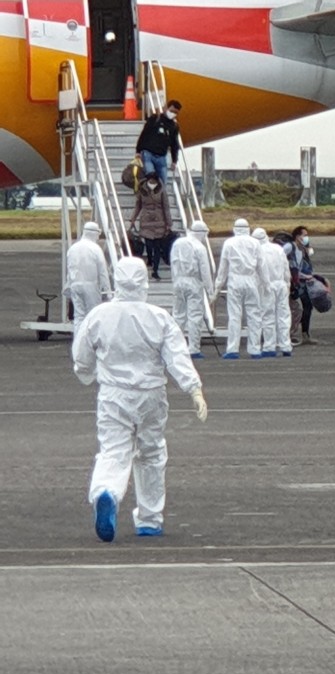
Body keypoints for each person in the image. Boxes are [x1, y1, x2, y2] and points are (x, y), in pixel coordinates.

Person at [72, 257, 207, 542]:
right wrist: (193, 388)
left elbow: (82, 356)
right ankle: (149, 518)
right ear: (144, 282)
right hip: (151, 395)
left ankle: (106, 492)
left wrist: (88, 373)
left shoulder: (99, 315)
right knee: (152, 453)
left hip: (113, 394)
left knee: (113, 450)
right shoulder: (158, 317)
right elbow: (177, 357)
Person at [213, 218, 265, 359]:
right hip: (251, 280)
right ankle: (255, 349)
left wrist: (217, 288)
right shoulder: (255, 243)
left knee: (235, 316)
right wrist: (265, 284)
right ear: (248, 228)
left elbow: (223, 268)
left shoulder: (229, 243)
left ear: (235, 229)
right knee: (254, 315)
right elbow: (261, 265)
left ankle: (232, 349)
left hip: (235, 280)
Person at [170, 220, 215, 359]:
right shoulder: (199, 247)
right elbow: (205, 271)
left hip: (178, 281)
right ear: (202, 233)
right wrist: (210, 290)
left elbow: (173, 262)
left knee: (178, 315)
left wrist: (175, 280)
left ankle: (174, 347)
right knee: (194, 316)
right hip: (193, 282)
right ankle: (193, 348)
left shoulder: (177, 243)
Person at [64, 221, 110, 336]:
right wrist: (107, 291)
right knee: (93, 315)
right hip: (90, 286)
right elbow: (103, 272)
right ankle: (92, 341)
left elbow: (69, 269)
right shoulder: (95, 249)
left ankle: (78, 341)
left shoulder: (73, 248)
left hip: (75, 285)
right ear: (94, 233)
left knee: (78, 316)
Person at [252, 228, 292, 357]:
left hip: (266, 285)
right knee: (284, 315)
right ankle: (286, 345)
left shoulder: (256, 251)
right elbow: (286, 268)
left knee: (268, 315)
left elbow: (257, 271)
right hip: (281, 284)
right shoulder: (278, 249)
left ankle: (269, 346)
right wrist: (288, 284)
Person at [129, 173, 172, 280]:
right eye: (151, 181)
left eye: (155, 181)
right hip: (146, 220)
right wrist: (133, 218)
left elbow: (166, 207)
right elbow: (138, 205)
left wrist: (168, 223)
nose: (153, 183)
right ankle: (149, 259)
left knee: (157, 247)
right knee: (148, 245)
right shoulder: (142, 190)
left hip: (159, 221)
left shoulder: (161, 189)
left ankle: (155, 270)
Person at [282, 225, 317, 346]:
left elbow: (298, 267)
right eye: (304, 235)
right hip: (290, 282)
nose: (306, 238)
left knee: (308, 305)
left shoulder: (301, 249)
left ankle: (305, 334)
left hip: (299, 281)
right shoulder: (289, 247)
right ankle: (287, 335)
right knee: (294, 309)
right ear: (297, 236)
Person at [135, 100, 181, 185]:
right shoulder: (155, 119)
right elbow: (144, 134)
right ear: (165, 108)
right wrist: (138, 150)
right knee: (150, 175)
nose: (173, 114)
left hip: (161, 156)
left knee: (163, 182)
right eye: (171, 111)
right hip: (148, 153)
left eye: (175, 112)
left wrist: (174, 160)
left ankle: (159, 196)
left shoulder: (174, 126)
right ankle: (147, 194)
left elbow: (175, 144)